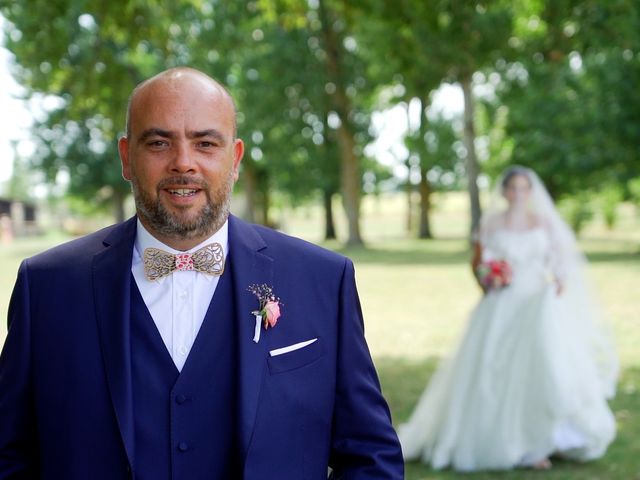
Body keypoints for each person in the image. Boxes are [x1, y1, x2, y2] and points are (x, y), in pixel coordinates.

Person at [0, 67, 403, 479]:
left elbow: (370, 457)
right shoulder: (47, 286)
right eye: (158, 143)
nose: (183, 163)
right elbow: (9, 455)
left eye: (206, 143)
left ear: (235, 159)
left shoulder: (323, 280)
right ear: (126, 158)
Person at [398, 166, 618, 471]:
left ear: (530, 192)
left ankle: (545, 441)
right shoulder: (491, 222)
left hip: (536, 305)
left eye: (523, 188)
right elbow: (478, 264)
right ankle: (506, 442)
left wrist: (559, 280)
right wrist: (489, 278)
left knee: (541, 368)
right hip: (500, 305)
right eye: (512, 188)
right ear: (504, 191)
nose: (517, 194)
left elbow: (561, 261)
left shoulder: (543, 222)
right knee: (492, 371)